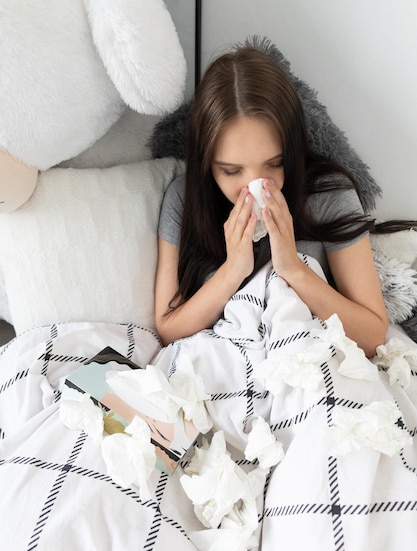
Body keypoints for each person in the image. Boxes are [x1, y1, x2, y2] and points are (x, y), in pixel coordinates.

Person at [155, 46, 411, 356]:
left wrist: (292, 268)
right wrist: (233, 270)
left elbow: (373, 335)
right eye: (231, 171)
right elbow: (168, 329)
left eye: (274, 164)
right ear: (206, 162)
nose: (255, 186)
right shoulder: (184, 199)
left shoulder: (327, 195)